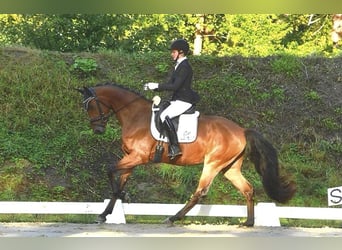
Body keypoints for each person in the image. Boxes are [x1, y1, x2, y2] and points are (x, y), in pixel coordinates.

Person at [144, 39, 200, 160]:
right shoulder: (178, 66)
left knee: (164, 116)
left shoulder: (185, 67)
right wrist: (153, 87)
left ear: (181, 52)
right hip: (177, 99)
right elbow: (169, 84)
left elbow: (175, 86)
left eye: (173, 52)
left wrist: (157, 85)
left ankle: (175, 147)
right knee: (160, 110)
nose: (171, 54)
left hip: (184, 100)